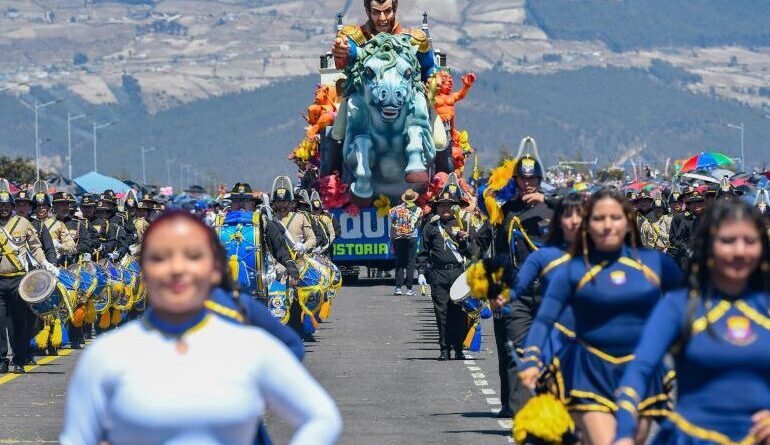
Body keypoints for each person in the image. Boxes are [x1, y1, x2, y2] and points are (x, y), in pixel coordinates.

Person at [59, 210, 342, 444]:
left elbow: (322, 416)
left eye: (193, 256)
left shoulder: (249, 346)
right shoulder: (106, 356)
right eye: (160, 257)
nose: (177, 268)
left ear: (214, 268)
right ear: (142, 271)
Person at [518, 188, 682, 444]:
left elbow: (692, 309)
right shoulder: (574, 269)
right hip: (588, 372)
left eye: (615, 218)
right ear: (588, 224)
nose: (607, 226)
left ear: (628, 222)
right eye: (598, 218)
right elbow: (544, 319)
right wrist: (531, 358)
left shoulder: (656, 264)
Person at [614, 198, 770, 445]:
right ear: (708, 246)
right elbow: (640, 369)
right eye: (728, 241)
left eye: (750, 241)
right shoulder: (679, 306)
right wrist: (624, 433)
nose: (740, 251)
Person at [488, 193, 584, 416]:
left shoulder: (596, 250)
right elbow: (518, 282)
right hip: (530, 302)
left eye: (578, 217)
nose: (573, 221)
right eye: (567, 217)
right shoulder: (543, 254)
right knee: (521, 353)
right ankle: (522, 412)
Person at [491, 154, 553, 416]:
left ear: (540, 180)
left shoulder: (553, 209)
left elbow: (583, 217)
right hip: (518, 290)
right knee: (514, 350)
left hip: (550, 291)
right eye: (522, 178)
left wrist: (549, 202)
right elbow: (500, 252)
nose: (527, 183)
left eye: (532, 178)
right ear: (515, 180)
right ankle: (518, 411)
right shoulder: (507, 211)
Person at [417, 178, 485, 361]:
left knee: (460, 314)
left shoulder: (463, 226)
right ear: (437, 207)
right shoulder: (431, 226)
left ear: (456, 206)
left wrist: (465, 241)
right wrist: (422, 272)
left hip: (459, 273)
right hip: (438, 274)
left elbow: (473, 253)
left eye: (450, 205)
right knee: (442, 313)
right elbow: (423, 251)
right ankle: (444, 348)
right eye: (442, 205)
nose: (446, 208)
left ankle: (459, 348)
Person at [0, 185, 58, 374]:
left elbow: (35, 247)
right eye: (0, 205)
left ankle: (19, 359)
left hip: (19, 280)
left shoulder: (23, 223)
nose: (3, 208)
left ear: (12, 206)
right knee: (0, 322)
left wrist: (45, 263)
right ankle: (1, 360)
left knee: (19, 321)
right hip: (0, 280)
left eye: (7, 205)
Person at [332, 0, 436, 81]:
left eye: (387, 11)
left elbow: (429, 67)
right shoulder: (357, 37)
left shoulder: (413, 40)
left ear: (394, 10)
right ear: (367, 12)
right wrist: (342, 52)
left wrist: (436, 80)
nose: (382, 18)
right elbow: (348, 51)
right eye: (376, 12)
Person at [389, 188, 422, 296]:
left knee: (399, 263)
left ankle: (398, 287)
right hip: (412, 237)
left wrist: (392, 237)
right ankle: (409, 289)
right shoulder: (418, 210)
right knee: (410, 262)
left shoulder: (396, 209)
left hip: (398, 237)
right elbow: (419, 224)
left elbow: (392, 221)